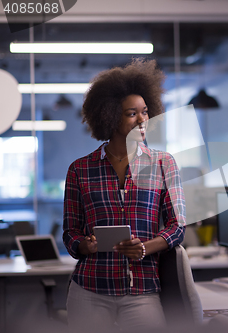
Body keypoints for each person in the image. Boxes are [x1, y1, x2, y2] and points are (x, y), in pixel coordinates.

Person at [63, 58, 185, 333]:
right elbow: (70, 232)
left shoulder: (164, 163)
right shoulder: (80, 169)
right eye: (132, 113)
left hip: (142, 289)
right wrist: (85, 245)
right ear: (109, 116)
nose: (143, 120)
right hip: (90, 289)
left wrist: (144, 247)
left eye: (145, 112)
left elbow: (177, 227)